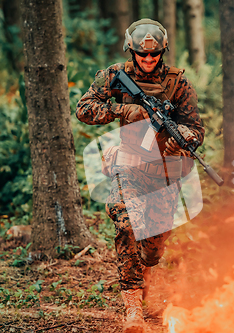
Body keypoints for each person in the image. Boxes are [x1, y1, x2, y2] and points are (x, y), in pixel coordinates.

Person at [76, 18, 204, 333]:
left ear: (163, 52)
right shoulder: (116, 77)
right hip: (128, 167)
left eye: (154, 55)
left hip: (163, 172)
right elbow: (84, 109)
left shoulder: (178, 84)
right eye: (141, 55)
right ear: (131, 51)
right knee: (125, 220)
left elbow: (196, 129)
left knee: (154, 246)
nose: (148, 60)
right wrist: (123, 111)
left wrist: (183, 136)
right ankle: (133, 309)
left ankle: (146, 274)